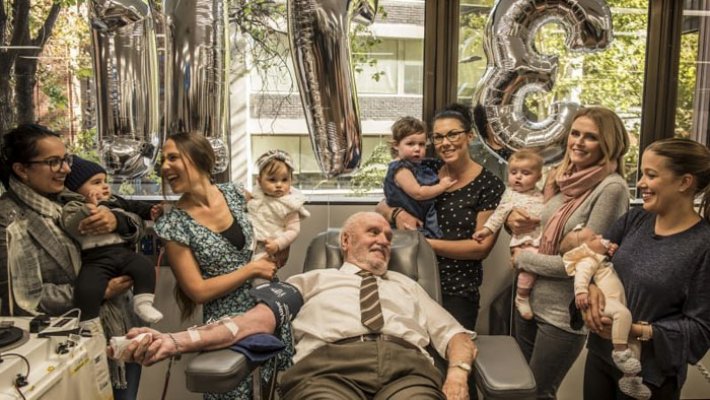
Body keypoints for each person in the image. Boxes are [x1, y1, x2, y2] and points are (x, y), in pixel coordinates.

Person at [113, 212, 477, 400]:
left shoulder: (407, 286)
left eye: (388, 236)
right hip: (328, 370)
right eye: (373, 232)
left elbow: (455, 335)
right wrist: (176, 341)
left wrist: (457, 374)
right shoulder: (311, 281)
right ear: (346, 242)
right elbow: (252, 322)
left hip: (407, 370)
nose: (384, 240)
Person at [0, 124, 143, 400]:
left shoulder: (71, 197)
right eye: (53, 162)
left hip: (120, 329)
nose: (65, 169)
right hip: (65, 348)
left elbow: (134, 220)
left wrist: (118, 220)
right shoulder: (9, 221)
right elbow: (20, 302)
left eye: (65, 160)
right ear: (21, 169)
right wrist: (98, 290)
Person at [377, 103, 505, 400]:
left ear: (470, 136)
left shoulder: (488, 185)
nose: (444, 143)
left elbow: (480, 247)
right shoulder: (426, 169)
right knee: (408, 366)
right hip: (408, 284)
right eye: (438, 137)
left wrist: (423, 245)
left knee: (455, 367)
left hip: (455, 289)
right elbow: (381, 204)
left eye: (453, 134)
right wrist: (398, 215)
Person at [154, 132, 292, 400]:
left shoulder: (237, 194)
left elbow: (272, 224)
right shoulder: (174, 226)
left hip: (267, 310)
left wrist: (283, 243)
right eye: (163, 160)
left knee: (274, 390)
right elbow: (198, 291)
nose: (164, 167)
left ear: (198, 158)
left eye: (172, 157)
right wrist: (250, 270)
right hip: (225, 328)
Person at [508, 106, 631, 399]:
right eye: (575, 133)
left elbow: (585, 262)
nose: (578, 142)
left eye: (590, 137)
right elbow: (542, 230)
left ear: (608, 144)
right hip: (530, 302)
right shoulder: (565, 180)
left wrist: (524, 259)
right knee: (518, 390)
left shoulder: (611, 189)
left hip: (562, 315)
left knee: (538, 393)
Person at [583, 138, 710, 399]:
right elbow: (594, 261)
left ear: (685, 182)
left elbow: (700, 330)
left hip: (650, 377)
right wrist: (591, 291)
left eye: (651, 175)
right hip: (600, 359)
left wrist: (634, 330)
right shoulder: (635, 219)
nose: (640, 183)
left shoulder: (703, 246)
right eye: (642, 174)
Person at [61, 156, 163, 323]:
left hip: (122, 253)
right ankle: (89, 321)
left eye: (105, 181)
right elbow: (72, 225)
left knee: (144, 266)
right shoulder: (73, 206)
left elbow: (134, 208)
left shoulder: (114, 201)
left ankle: (143, 303)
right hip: (96, 259)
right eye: (96, 182)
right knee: (86, 287)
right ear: (74, 190)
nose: (105, 186)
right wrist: (89, 207)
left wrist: (152, 210)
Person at [560, 226, 649, 399]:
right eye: (594, 237)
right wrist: (581, 292)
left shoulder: (599, 259)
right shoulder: (587, 260)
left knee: (636, 345)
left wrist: (612, 252)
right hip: (606, 305)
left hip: (614, 303)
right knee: (624, 315)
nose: (601, 236)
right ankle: (620, 352)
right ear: (582, 250)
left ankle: (630, 379)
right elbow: (581, 275)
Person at [472, 149, 544, 320]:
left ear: (538, 177)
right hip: (523, 241)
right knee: (528, 268)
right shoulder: (510, 195)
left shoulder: (540, 194)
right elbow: (498, 215)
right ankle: (522, 297)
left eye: (525, 173)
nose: (518, 177)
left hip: (540, 239)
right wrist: (485, 230)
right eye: (514, 172)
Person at [383, 116, 456, 238]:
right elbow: (419, 193)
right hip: (407, 227)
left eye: (421, 144)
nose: (417, 149)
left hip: (421, 219)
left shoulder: (418, 165)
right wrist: (441, 186)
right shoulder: (401, 169)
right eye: (410, 144)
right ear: (396, 145)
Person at [247, 149, 309, 262]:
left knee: (261, 275)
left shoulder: (289, 204)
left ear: (291, 181)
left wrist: (278, 244)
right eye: (272, 180)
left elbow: (293, 230)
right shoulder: (256, 195)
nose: (279, 185)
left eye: (284, 180)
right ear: (259, 181)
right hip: (250, 243)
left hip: (269, 247)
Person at [471, 103, 514, 181]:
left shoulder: (515, 148)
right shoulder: (475, 151)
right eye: (496, 121)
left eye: (504, 119)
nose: (502, 125)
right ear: (485, 124)